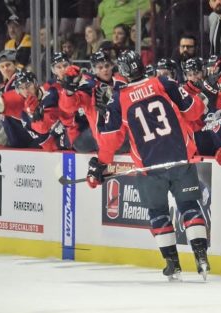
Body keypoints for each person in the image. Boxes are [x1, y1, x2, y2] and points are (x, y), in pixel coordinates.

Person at [85, 50, 210, 281]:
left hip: (150, 169)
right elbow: (194, 112)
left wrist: (99, 165)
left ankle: (173, 264)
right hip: (181, 159)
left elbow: (109, 141)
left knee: (158, 212)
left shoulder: (118, 99)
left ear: (122, 72)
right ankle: (201, 256)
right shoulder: (163, 82)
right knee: (189, 206)